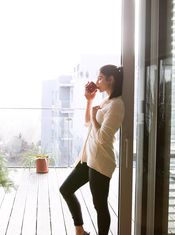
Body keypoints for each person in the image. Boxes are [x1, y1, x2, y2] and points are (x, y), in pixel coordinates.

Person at [60, 64, 125, 235]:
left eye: (100, 78)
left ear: (111, 79)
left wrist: (96, 119)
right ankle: (80, 230)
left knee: (100, 206)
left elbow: (102, 137)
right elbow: (88, 123)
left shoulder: (116, 105)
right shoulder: (106, 101)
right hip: (88, 158)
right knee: (65, 189)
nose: (97, 82)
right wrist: (90, 101)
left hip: (101, 162)